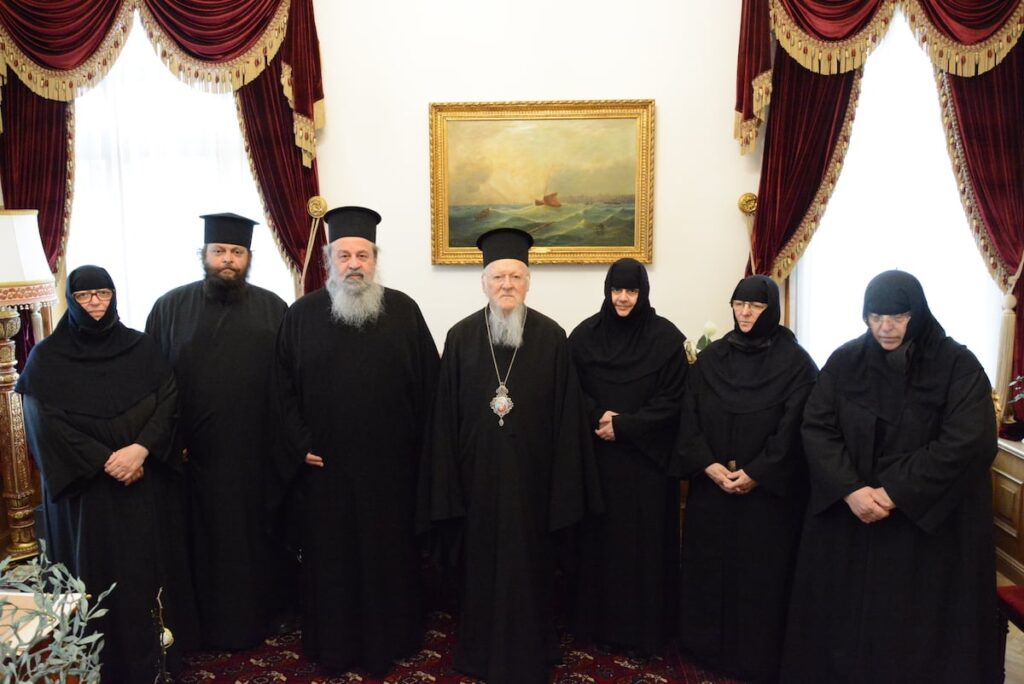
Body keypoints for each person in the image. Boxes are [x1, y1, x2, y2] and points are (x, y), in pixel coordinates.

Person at [781, 270, 998, 683]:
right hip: (852, 517)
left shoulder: (958, 365)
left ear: (917, 314)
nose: (885, 327)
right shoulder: (845, 361)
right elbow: (817, 427)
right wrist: (851, 489)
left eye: (898, 317)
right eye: (876, 317)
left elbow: (969, 441)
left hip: (926, 529)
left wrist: (894, 492)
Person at [420, 227, 602, 684]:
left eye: (516, 277)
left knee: (530, 566)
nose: (507, 285)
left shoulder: (552, 336)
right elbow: (444, 419)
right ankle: (478, 650)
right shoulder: (461, 337)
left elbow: (566, 419)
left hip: (533, 482)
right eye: (498, 277)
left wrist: (562, 486)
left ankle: (535, 647)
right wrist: (449, 483)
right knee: (480, 567)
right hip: (477, 481)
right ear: (483, 282)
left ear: (528, 282)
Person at [273, 205, 439, 676]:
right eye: (344, 255)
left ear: (375, 259)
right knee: (333, 562)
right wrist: (299, 443)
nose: (354, 265)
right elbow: (279, 391)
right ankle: (335, 644)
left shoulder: (404, 312)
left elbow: (431, 389)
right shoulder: (301, 315)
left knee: (391, 558)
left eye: (362, 255)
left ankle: (395, 637)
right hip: (326, 472)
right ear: (329, 260)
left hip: (391, 473)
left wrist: (422, 455)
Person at [17, 265, 197, 682]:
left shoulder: (142, 347)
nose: (95, 302)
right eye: (84, 296)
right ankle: (96, 660)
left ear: (113, 296)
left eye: (102, 293)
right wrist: (105, 460)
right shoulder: (46, 358)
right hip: (87, 494)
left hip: (143, 485)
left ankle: (155, 656)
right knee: (92, 576)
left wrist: (140, 450)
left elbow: (168, 400)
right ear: (71, 300)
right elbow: (45, 424)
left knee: (146, 574)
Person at [146, 212, 288, 650]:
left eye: (237, 252)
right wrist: (170, 442)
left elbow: (289, 383)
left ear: (248, 257)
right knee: (199, 541)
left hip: (255, 455)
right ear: (204, 255)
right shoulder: (170, 307)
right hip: (192, 456)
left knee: (254, 540)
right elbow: (152, 384)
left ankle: (259, 618)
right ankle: (198, 626)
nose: (228, 259)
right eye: (219, 251)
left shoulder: (273, 308)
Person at [675, 275, 817, 682]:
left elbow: (794, 428)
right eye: (739, 304)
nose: (745, 313)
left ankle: (754, 654)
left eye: (755, 306)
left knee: (759, 577)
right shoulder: (713, 358)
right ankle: (705, 646)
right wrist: (708, 464)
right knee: (709, 569)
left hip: (765, 497)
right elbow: (689, 417)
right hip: (713, 488)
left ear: (771, 309)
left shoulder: (796, 364)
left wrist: (757, 472)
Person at [568, 258, 687, 656]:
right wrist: (597, 418)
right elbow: (571, 390)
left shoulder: (666, 340)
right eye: (616, 290)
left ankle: (644, 631)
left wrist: (626, 426)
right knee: (599, 546)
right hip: (598, 461)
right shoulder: (584, 337)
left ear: (643, 292)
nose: (622, 298)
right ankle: (596, 626)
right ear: (607, 290)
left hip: (646, 465)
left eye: (631, 290)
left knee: (644, 548)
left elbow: (673, 400)